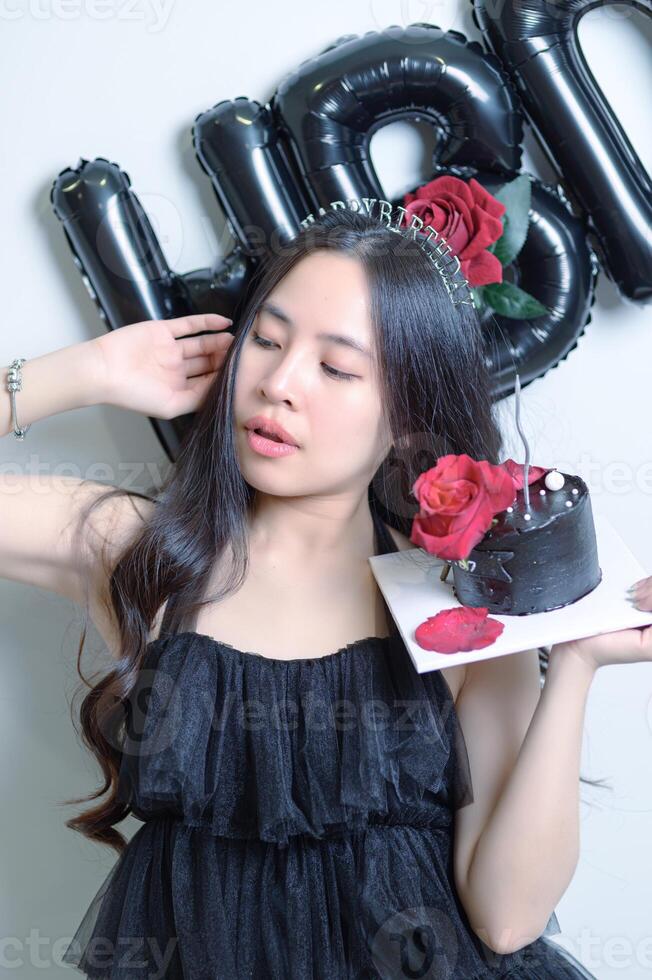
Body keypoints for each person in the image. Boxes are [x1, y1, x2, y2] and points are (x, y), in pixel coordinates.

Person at [1, 208, 650, 979]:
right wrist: (82, 374)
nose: (277, 385)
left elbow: (508, 920)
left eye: (337, 369)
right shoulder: (141, 552)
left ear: (408, 417)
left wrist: (572, 666)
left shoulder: (458, 604)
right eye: (267, 342)